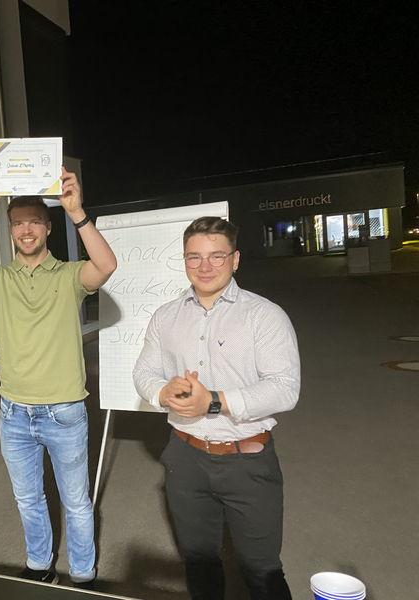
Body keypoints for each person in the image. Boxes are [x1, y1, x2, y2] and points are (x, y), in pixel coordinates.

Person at [0, 167, 117, 589]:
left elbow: (106, 265)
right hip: (14, 413)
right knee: (28, 498)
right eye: (18, 223)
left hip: (65, 411)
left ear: (48, 227)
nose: (26, 230)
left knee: (76, 501)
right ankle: (40, 564)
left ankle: (83, 573)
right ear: (9, 230)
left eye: (34, 222)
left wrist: (77, 212)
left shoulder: (70, 275)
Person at [132, 216, 300, 600]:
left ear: (235, 259)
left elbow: (285, 389)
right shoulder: (166, 316)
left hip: (248, 460)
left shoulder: (264, 315)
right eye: (194, 257)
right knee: (198, 562)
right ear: (184, 260)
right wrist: (163, 390)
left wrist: (213, 401)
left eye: (216, 256)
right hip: (185, 456)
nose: (204, 266)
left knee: (261, 570)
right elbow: (144, 371)